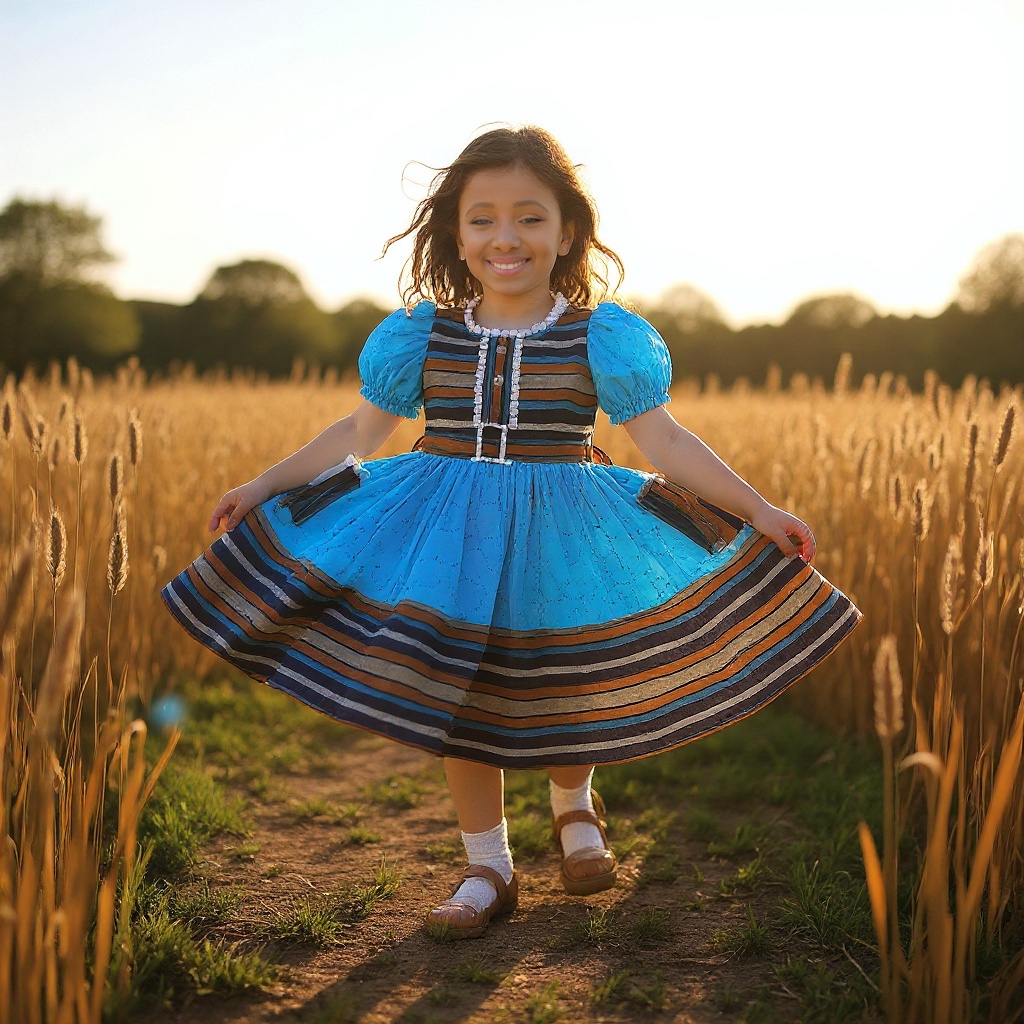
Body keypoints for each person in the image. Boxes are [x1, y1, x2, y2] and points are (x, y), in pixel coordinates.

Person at [162, 126, 861, 941]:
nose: (506, 238)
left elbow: (665, 442)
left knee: (566, 670)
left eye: (530, 218)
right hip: (446, 530)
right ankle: (487, 864)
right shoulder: (423, 335)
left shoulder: (602, 336)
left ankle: (574, 805)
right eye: (484, 218)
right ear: (456, 236)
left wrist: (759, 509)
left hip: (566, 528)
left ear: (567, 233)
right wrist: (262, 484)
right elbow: (356, 434)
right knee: (463, 690)